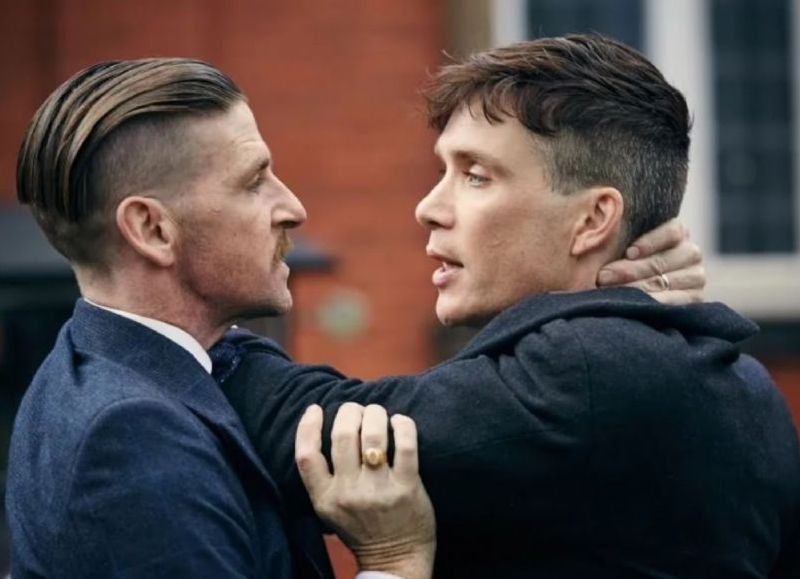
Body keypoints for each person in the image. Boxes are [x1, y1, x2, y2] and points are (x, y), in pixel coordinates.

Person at [219, 35, 800, 578]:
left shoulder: (584, 369)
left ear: (593, 219)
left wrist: (192, 305)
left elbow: (307, 430)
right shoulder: (747, 387)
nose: (429, 208)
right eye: (444, 171)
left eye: (476, 176)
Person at [6, 58, 436, 579]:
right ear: (152, 229)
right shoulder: (129, 434)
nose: (293, 208)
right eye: (254, 182)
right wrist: (394, 560)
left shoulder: (108, 378)